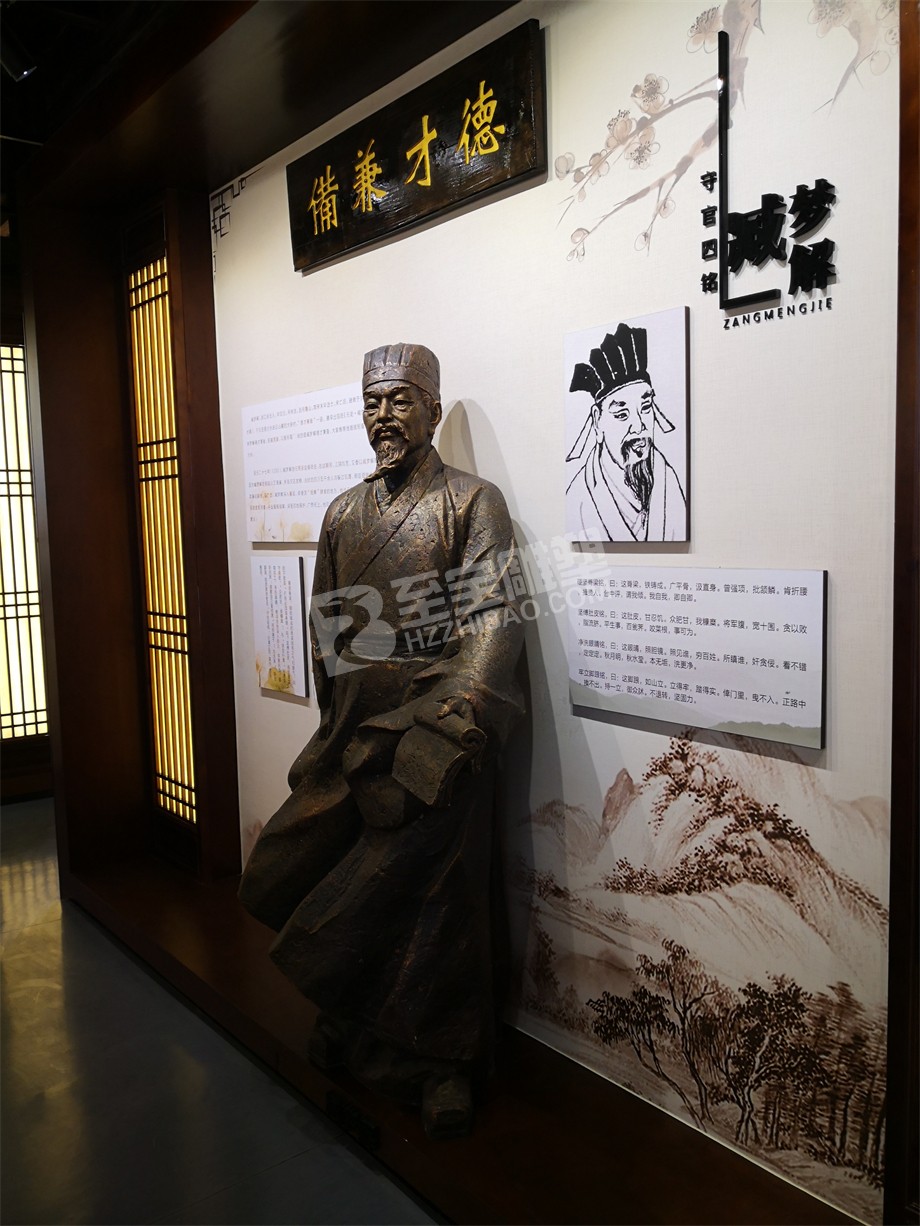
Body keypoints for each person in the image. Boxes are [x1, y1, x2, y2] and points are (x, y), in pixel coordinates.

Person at [239, 343, 524, 1137]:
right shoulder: (344, 514)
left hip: (436, 736)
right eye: (372, 402)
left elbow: (492, 623)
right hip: (356, 736)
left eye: (401, 400)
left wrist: (448, 723)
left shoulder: (472, 503)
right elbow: (328, 633)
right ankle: (351, 1018)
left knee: (436, 905)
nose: (384, 417)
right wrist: (335, 729)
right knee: (329, 872)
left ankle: (442, 1063)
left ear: (432, 408)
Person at [566, 321, 687, 541]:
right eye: (622, 414)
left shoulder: (668, 481)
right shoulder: (579, 497)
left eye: (645, 408)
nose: (639, 426)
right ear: (598, 421)